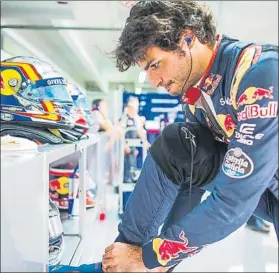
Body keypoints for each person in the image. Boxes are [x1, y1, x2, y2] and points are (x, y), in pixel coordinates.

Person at [102, 1, 278, 272]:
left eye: (156, 64)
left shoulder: (261, 73)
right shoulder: (195, 99)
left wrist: (151, 256)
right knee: (179, 143)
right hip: (268, 193)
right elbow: (191, 179)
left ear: (188, 37)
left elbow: (233, 203)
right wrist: (153, 261)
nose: (154, 81)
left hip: (254, 192)